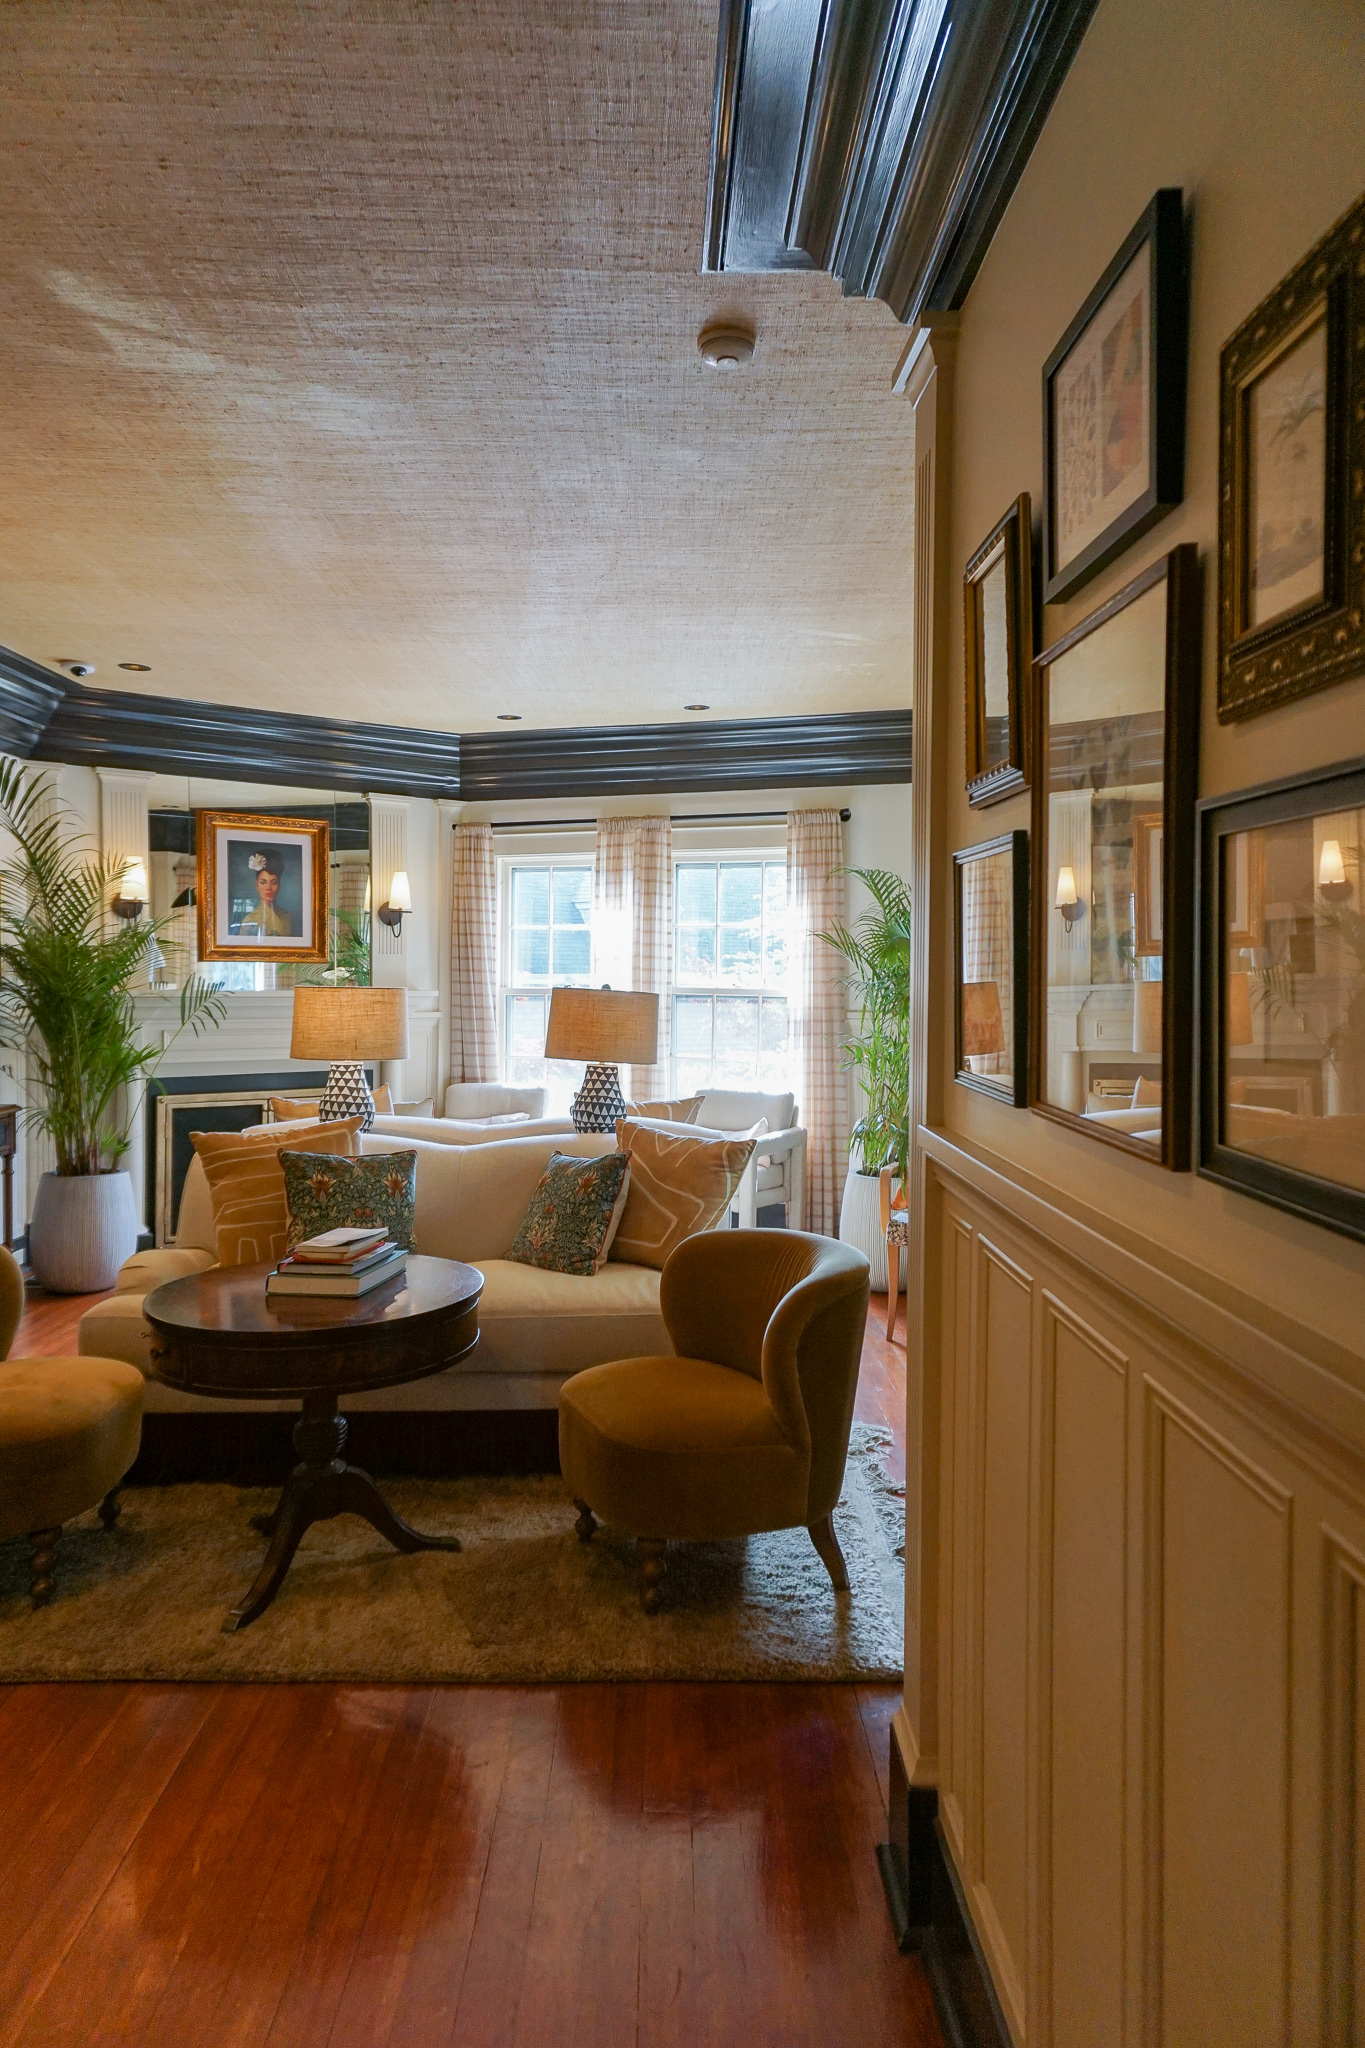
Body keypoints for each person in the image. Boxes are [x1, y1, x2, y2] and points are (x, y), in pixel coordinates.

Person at [237, 849, 293, 937]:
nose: (268, 888)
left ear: (279, 885)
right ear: (257, 884)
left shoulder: (287, 916)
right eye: (263, 882)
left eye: (273, 883)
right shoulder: (250, 920)